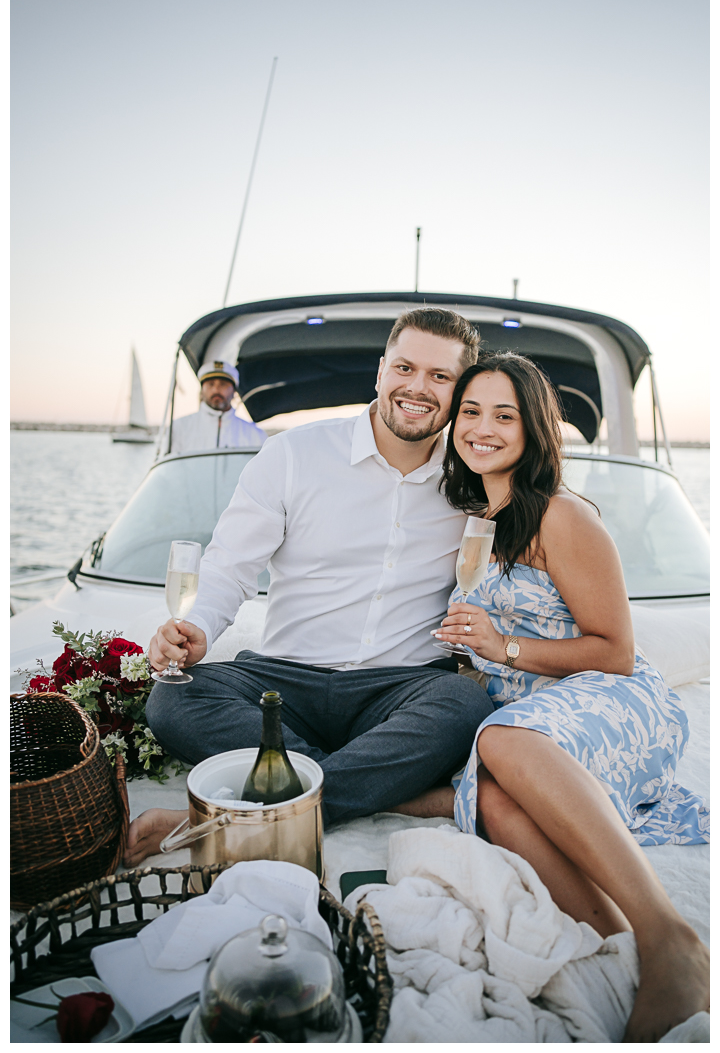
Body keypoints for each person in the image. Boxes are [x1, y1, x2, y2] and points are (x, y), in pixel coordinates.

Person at [392, 352, 709, 1043]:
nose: (482, 428)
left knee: (499, 744)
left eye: (504, 415)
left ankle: (672, 938)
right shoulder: (479, 519)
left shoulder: (563, 517)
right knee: (495, 796)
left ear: (534, 429)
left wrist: (503, 646)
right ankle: (620, 944)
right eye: (470, 412)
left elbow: (615, 650)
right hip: (534, 725)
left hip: (610, 701)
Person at [126, 308, 496, 862]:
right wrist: (197, 626)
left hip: (402, 688)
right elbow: (229, 564)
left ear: (459, 390)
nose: (418, 388)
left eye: (440, 377)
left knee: (464, 702)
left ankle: (244, 818)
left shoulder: (476, 481)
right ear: (380, 371)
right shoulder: (293, 454)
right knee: (175, 699)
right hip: (284, 683)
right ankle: (376, 783)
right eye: (405, 368)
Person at [169, 360, 266, 454]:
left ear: (234, 391)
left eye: (223, 384)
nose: (216, 389)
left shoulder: (255, 435)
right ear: (202, 390)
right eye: (210, 384)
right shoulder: (178, 428)